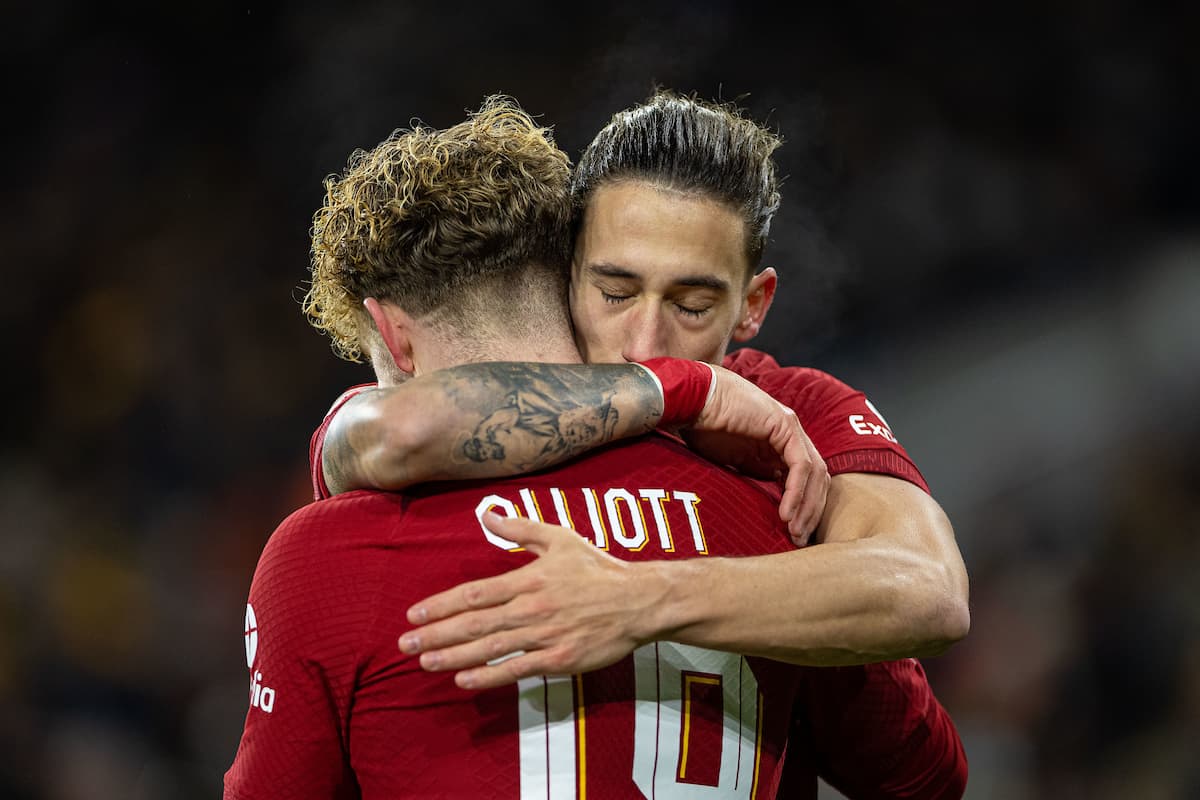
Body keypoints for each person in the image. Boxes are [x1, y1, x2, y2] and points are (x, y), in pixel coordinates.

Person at [225, 95, 930, 799]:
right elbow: (923, 773)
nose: (646, 348)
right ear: (567, 278)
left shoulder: (329, 555)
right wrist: (695, 392)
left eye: (690, 306)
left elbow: (930, 593)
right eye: (617, 292)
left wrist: (643, 598)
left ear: (393, 336)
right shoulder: (771, 506)